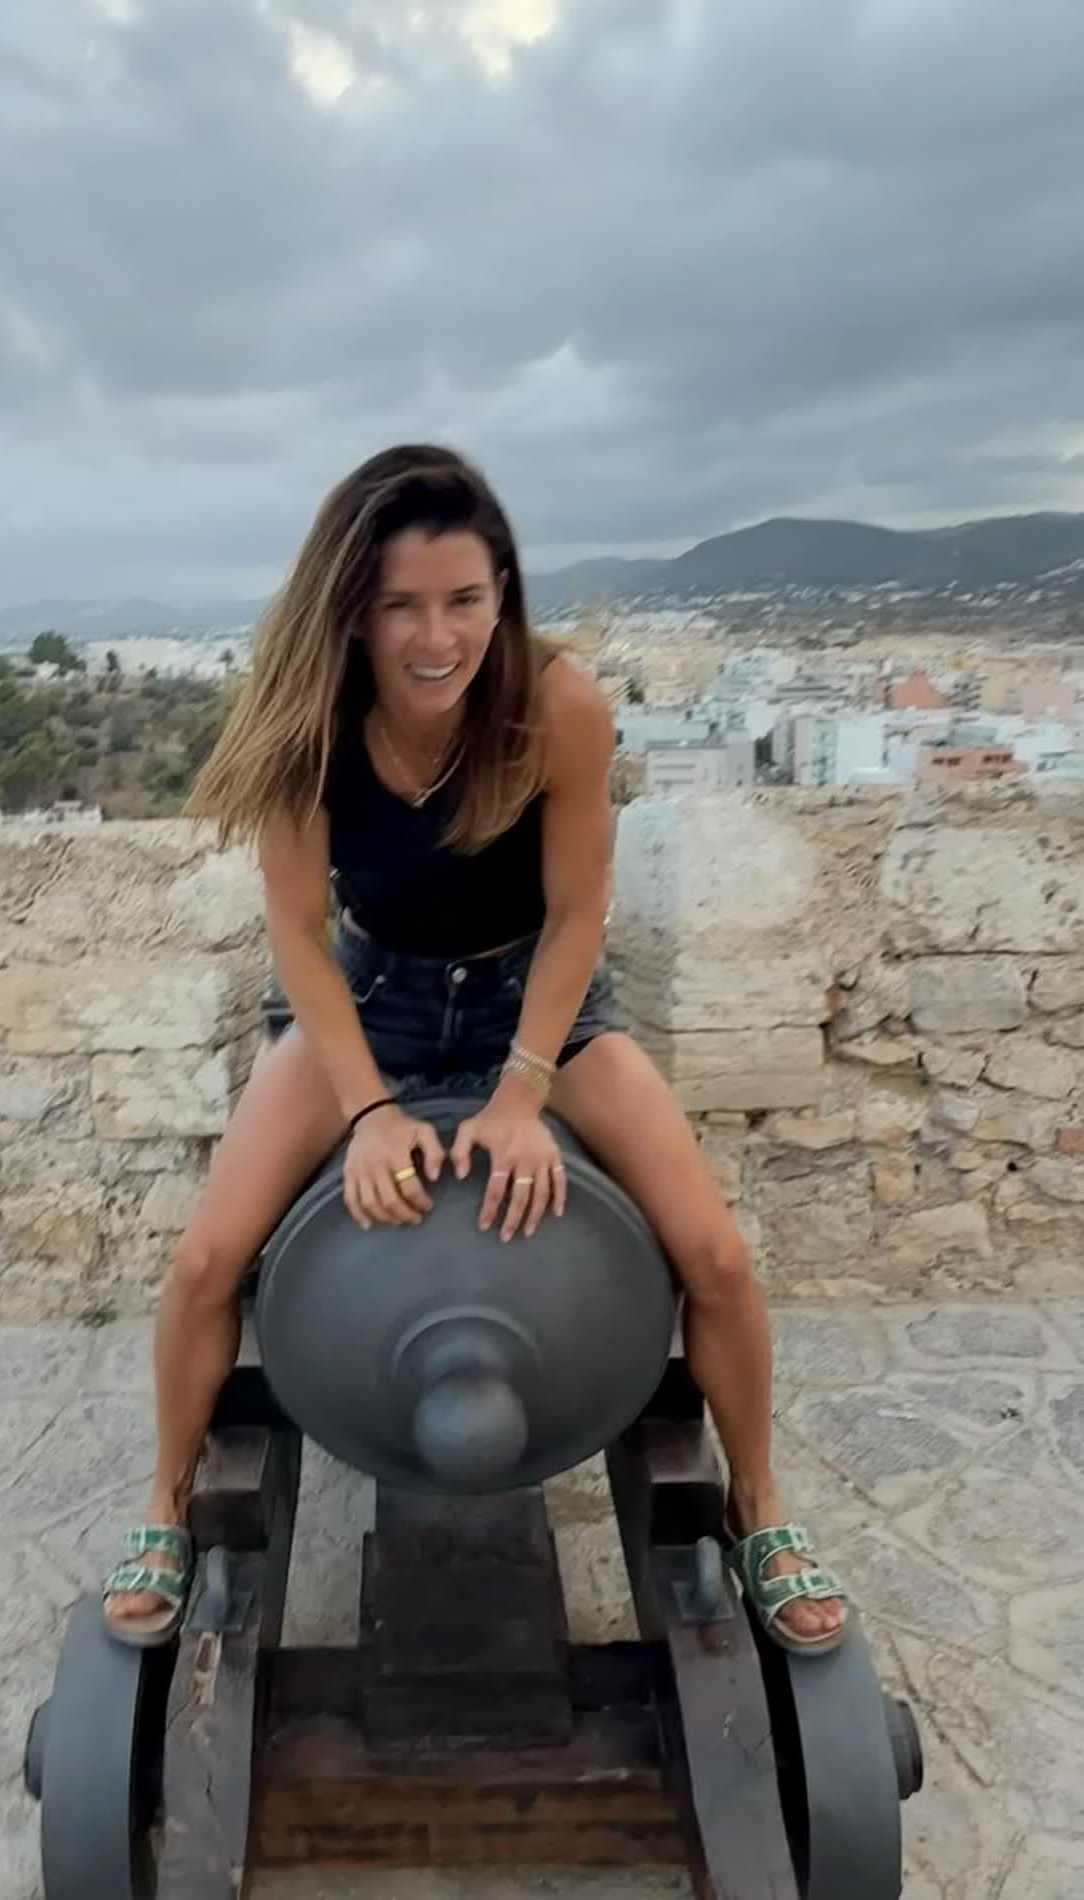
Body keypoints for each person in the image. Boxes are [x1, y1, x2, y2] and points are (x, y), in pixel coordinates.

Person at [101, 443, 848, 1657]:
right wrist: (367, 1112)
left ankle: (758, 1503)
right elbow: (297, 935)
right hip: (375, 993)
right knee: (204, 1261)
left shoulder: (558, 709)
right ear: (355, 611)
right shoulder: (309, 724)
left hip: (532, 992)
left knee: (714, 1253)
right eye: (402, 604)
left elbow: (578, 916)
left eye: (463, 599)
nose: (435, 636)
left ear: (504, 597)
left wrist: (520, 1090)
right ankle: (166, 1498)